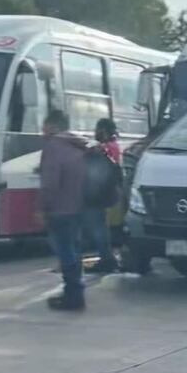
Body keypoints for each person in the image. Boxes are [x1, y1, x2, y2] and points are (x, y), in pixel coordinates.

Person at [39, 110, 89, 311]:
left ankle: (73, 296)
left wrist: (41, 207)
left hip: (60, 209)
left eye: (44, 127)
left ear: (53, 126)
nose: (42, 131)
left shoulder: (54, 147)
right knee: (74, 251)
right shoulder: (78, 145)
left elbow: (50, 183)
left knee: (65, 252)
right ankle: (75, 292)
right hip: (79, 207)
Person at [82, 118, 123, 273]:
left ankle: (107, 259)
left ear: (104, 130)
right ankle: (107, 257)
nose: (96, 132)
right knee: (100, 227)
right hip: (106, 193)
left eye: (98, 129)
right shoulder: (113, 146)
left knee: (98, 227)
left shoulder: (106, 148)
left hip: (99, 193)